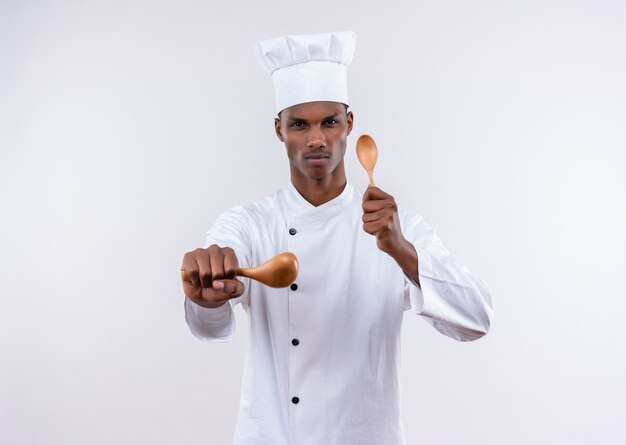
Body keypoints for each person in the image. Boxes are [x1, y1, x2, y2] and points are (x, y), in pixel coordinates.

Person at [181, 31, 493, 445]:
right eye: (299, 125)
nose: (316, 139)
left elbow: (477, 318)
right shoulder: (250, 223)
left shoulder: (395, 229)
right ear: (279, 130)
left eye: (329, 121)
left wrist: (401, 250)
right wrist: (208, 291)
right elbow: (209, 321)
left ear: (349, 124)